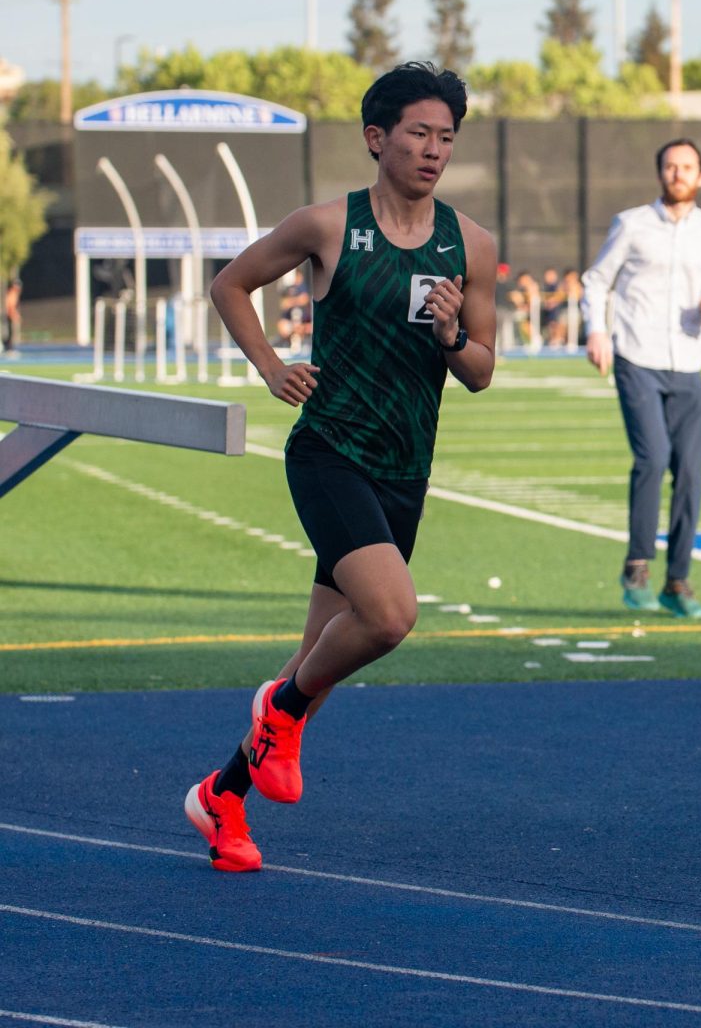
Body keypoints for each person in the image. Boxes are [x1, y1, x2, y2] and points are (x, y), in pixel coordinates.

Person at [185, 61, 497, 872]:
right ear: (377, 138)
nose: (434, 150)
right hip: (328, 452)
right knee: (390, 617)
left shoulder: (473, 245)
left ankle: (222, 798)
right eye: (420, 133)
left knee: (322, 660)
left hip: (404, 469)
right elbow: (231, 285)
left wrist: (453, 335)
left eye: (446, 137)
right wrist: (270, 366)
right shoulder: (327, 226)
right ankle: (275, 711)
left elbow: (482, 370)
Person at [581, 138, 701, 619]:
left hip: (688, 360)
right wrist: (597, 331)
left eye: (687, 167)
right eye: (670, 166)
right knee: (654, 456)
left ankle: (678, 580)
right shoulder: (632, 224)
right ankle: (637, 566)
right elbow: (597, 279)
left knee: (690, 470)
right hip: (636, 355)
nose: (678, 173)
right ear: (660, 173)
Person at [273, 267, 312, 349]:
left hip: (304, 323)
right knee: (283, 326)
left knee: (302, 324)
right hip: (292, 324)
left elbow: (304, 299)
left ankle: (300, 342)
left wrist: (292, 302)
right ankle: (288, 343)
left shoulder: (303, 287)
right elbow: (284, 304)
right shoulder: (289, 288)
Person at [3, 279, 23, 352]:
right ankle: (7, 345)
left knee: (11, 331)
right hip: (9, 314)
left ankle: (8, 345)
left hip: (10, 314)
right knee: (10, 331)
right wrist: (14, 315)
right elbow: (10, 306)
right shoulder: (12, 293)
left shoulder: (14, 293)